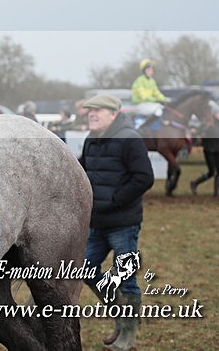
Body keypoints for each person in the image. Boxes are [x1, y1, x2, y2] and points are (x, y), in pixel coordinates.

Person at [79, 94, 154, 351]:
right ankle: (121, 318)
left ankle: (128, 336)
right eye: (90, 110)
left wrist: (115, 200)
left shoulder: (130, 139)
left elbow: (144, 177)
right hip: (96, 222)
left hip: (123, 222)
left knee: (126, 279)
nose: (91, 113)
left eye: (97, 110)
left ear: (113, 114)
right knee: (86, 270)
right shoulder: (91, 140)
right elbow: (82, 171)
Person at [191, 109, 219, 196]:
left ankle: (216, 192)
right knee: (212, 172)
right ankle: (195, 183)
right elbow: (198, 133)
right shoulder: (207, 125)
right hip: (209, 150)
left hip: (217, 151)